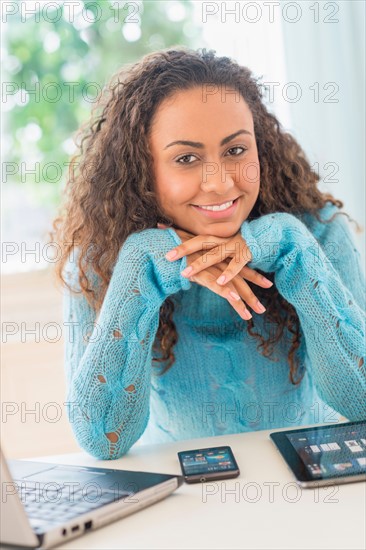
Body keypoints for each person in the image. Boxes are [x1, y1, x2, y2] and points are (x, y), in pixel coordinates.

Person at [50, 47, 366, 460]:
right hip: (181, 502)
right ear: (143, 170)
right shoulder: (102, 259)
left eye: (236, 150)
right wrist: (144, 266)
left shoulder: (316, 233)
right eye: (186, 158)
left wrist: (291, 247)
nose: (219, 184)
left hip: (308, 492)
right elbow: (102, 438)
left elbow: (360, 403)